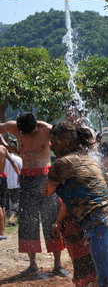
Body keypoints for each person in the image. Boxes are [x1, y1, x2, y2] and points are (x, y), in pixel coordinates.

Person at [42, 121, 108, 286]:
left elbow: (46, 191)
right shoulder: (89, 159)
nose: (51, 145)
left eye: (52, 141)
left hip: (101, 222)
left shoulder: (62, 164)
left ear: (61, 141)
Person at [0, 112, 67, 275]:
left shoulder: (46, 130)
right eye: (22, 132)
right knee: (28, 221)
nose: (25, 135)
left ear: (35, 126)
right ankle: (32, 264)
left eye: (28, 132)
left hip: (45, 178)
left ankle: (58, 265)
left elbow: (66, 137)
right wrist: (8, 148)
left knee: (51, 219)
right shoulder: (15, 128)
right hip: (27, 179)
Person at [0, 140, 20, 239]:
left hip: (4, 179)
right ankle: (3, 230)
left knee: (3, 205)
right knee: (4, 205)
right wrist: (19, 175)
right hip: (5, 179)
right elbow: (13, 162)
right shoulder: (3, 150)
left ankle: (2, 231)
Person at [4, 140, 22, 227]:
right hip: (16, 184)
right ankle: (11, 218)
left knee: (5, 204)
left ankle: (3, 222)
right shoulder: (18, 159)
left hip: (5, 184)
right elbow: (21, 172)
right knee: (17, 202)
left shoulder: (2, 158)